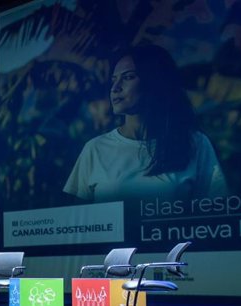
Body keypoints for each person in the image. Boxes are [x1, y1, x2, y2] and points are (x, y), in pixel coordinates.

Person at [63, 44, 228, 203]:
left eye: (127, 77)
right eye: (114, 80)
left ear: (154, 81)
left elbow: (214, 213)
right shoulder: (95, 149)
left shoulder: (195, 143)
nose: (115, 88)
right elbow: (81, 224)